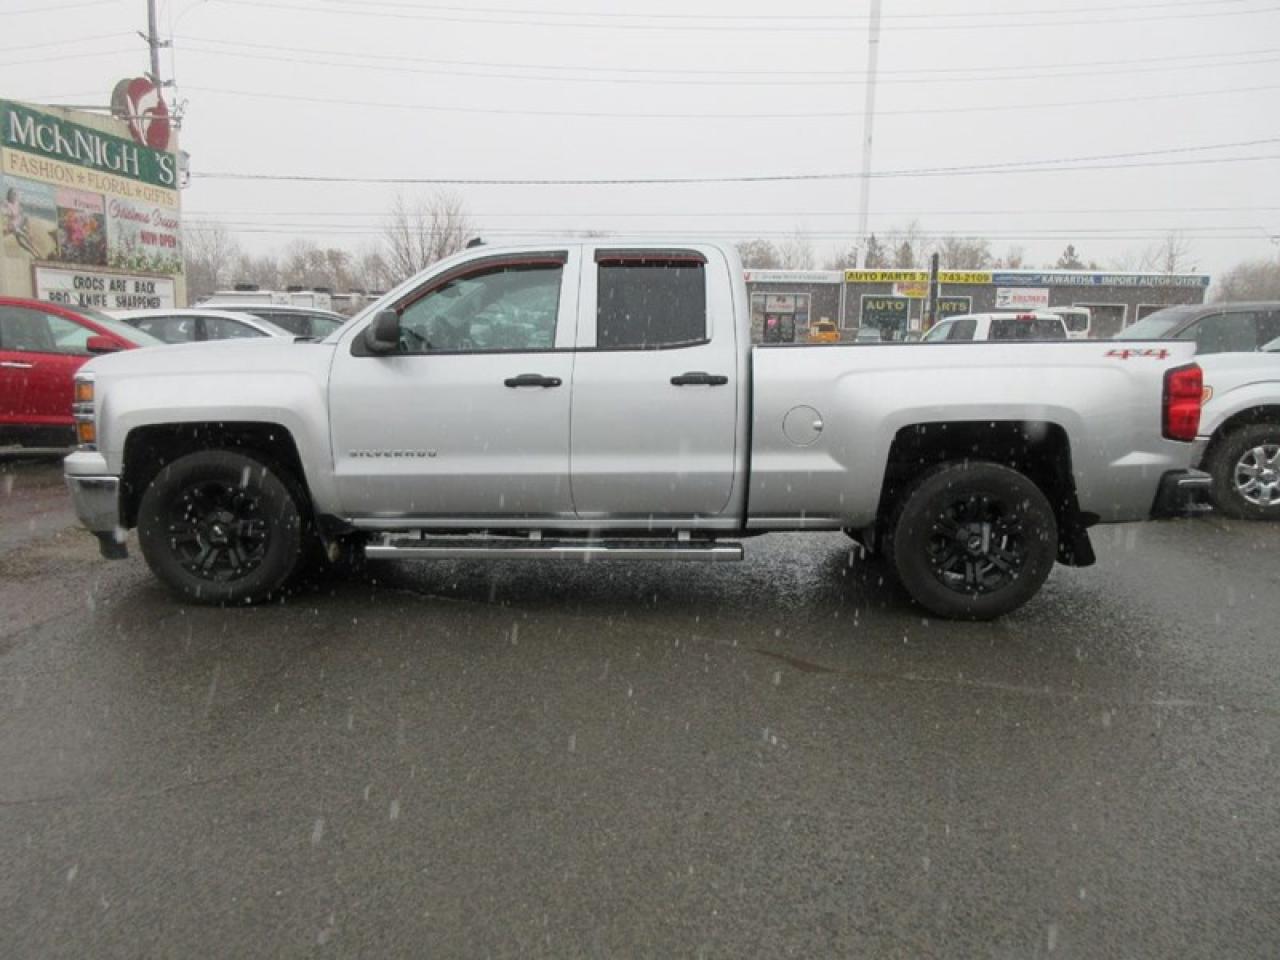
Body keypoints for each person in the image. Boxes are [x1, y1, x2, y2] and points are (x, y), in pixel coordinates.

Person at [3, 187, 39, 258]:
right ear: (9, 195)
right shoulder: (7, 203)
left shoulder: (17, 202)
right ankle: (33, 252)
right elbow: (4, 211)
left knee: (26, 219)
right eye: (12, 194)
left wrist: (32, 206)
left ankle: (30, 236)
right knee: (21, 241)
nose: (14, 195)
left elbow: (24, 206)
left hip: (19, 223)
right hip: (13, 226)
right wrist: (8, 213)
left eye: (15, 194)